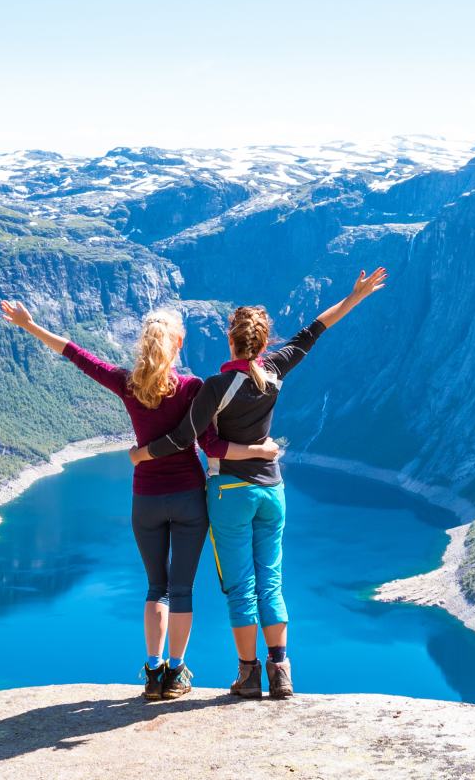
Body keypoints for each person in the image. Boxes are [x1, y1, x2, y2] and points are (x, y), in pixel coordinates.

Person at [0, 301, 280, 701]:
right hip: (188, 498)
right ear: (179, 343)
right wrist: (258, 449)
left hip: (146, 498)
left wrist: (31, 326)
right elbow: (202, 441)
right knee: (181, 590)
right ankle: (177, 673)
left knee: (156, 588)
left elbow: (78, 355)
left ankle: (152, 669)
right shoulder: (193, 387)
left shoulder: (127, 384)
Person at [129, 267, 388, 700]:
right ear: (264, 343)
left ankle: (249, 675)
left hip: (230, 493)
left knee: (241, 587)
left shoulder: (214, 386)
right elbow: (313, 332)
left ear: (230, 339)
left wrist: (142, 454)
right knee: (271, 582)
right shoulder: (275, 370)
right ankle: (282, 671)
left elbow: (187, 439)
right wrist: (355, 296)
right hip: (273, 491)